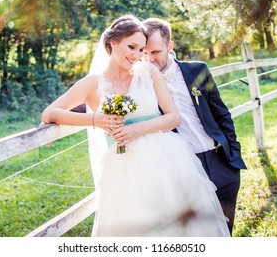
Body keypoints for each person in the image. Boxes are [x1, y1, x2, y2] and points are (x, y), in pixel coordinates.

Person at [41, 14, 229, 237]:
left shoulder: (148, 73)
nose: (137, 55)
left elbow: (172, 118)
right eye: (132, 47)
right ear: (113, 43)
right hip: (125, 166)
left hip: (167, 159)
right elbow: (51, 112)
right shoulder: (92, 83)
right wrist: (95, 120)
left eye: (141, 49)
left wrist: (135, 129)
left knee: (182, 228)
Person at [138, 17, 247, 235]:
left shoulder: (197, 70)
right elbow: (106, 95)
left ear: (170, 46)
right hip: (187, 167)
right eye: (144, 53)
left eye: (156, 52)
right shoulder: (140, 83)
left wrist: (233, 152)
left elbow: (222, 113)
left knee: (225, 230)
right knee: (200, 233)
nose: (150, 59)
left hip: (223, 162)